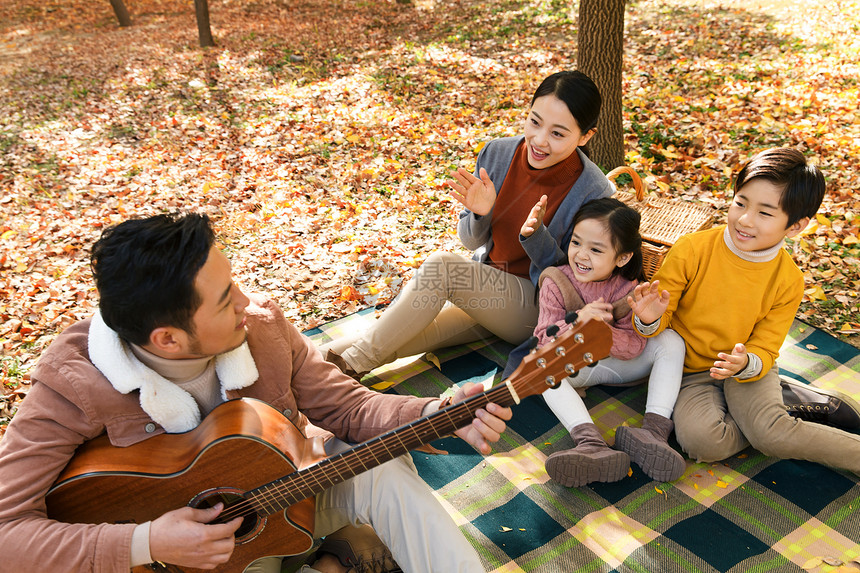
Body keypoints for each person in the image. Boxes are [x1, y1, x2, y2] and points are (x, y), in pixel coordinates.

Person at [0, 213, 513, 573]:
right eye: (226, 301)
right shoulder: (72, 383)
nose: (249, 301)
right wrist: (148, 540)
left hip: (290, 499)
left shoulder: (262, 326)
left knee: (383, 469)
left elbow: (348, 406)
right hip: (192, 560)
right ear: (168, 339)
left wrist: (437, 410)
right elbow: (7, 534)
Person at [321, 70, 614, 379]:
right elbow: (472, 243)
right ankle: (306, 364)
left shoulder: (593, 191)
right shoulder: (498, 153)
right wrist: (480, 213)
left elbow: (580, 277)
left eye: (558, 133)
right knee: (397, 334)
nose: (539, 140)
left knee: (443, 268)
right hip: (488, 287)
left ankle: (350, 368)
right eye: (535, 122)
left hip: (537, 306)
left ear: (585, 136)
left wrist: (536, 236)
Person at [628, 147, 860, 475]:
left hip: (746, 369)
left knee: (771, 436)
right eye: (741, 203)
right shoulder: (692, 250)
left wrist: (746, 363)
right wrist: (649, 318)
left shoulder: (788, 280)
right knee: (703, 443)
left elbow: (766, 346)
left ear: (795, 226)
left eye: (765, 213)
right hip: (691, 373)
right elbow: (658, 322)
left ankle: (774, 422)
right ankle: (779, 410)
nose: (745, 220)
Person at [502, 198, 686, 487]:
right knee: (541, 366)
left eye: (596, 249)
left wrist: (605, 330)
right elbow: (542, 337)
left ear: (622, 257)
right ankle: (590, 445)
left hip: (621, 366)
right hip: (578, 366)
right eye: (576, 243)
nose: (581, 255)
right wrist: (579, 322)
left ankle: (654, 431)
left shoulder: (629, 289)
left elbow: (634, 348)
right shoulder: (556, 281)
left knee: (670, 340)